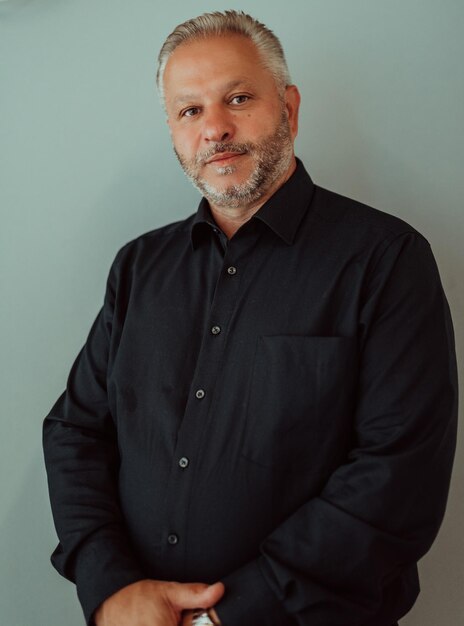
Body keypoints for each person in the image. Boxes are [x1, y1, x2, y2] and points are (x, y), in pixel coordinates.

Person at [43, 10, 458, 626]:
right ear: (173, 129)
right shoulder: (139, 267)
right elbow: (76, 431)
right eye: (189, 111)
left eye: (238, 97)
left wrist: (223, 617)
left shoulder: (386, 260)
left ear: (288, 106)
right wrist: (111, 589)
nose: (215, 129)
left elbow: (397, 477)